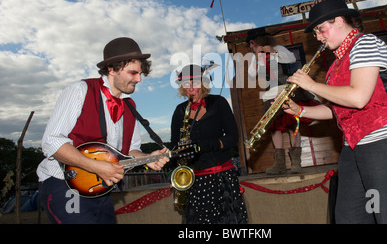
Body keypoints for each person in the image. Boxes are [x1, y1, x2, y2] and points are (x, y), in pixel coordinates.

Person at [283, 0, 387, 223]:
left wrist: (310, 85)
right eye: (317, 33)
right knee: (350, 217)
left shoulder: (365, 44)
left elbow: (358, 98)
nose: (319, 37)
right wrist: (300, 110)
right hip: (355, 144)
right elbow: (338, 109)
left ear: (339, 21)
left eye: (321, 29)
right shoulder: (336, 64)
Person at [37, 37, 169, 224]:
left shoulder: (130, 106)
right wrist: (96, 167)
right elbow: (51, 141)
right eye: (133, 72)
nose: (139, 79)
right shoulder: (80, 90)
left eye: (140, 73)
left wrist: (148, 159)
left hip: (102, 189)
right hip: (65, 185)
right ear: (112, 69)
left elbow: (130, 151)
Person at [170, 64, 248, 224]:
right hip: (194, 181)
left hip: (222, 178)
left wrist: (204, 146)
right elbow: (173, 146)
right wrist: (179, 154)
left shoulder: (218, 103)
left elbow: (233, 137)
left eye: (195, 83)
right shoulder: (179, 111)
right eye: (186, 84)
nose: (190, 89)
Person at [247, 28, 317, 174]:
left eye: (252, 43)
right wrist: (258, 59)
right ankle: (279, 164)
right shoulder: (255, 57)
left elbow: (291, 58)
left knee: (292, 123)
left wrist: (272, 52)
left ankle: (296, 163)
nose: (251, 46)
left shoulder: (277, 48)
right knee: (273, 128)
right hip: (271, 93)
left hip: (287, 90)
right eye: (250, 44)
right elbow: (251, 74)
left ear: (260, 41)